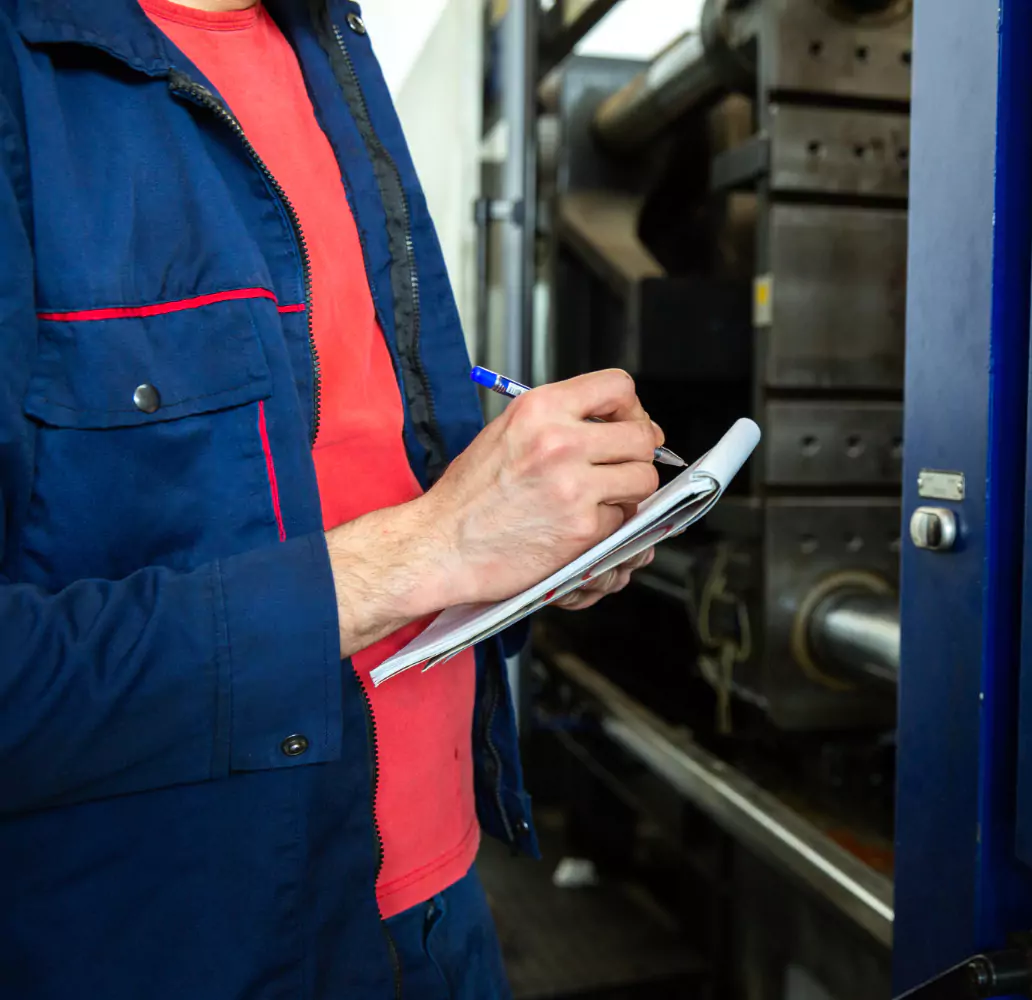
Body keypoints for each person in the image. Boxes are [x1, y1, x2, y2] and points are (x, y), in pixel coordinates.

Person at [0, 0, 661, 997]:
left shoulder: (331, 50)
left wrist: (528, 547)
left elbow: (361, 469)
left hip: (440, 911)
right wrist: (427, 547)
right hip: (191, 948)